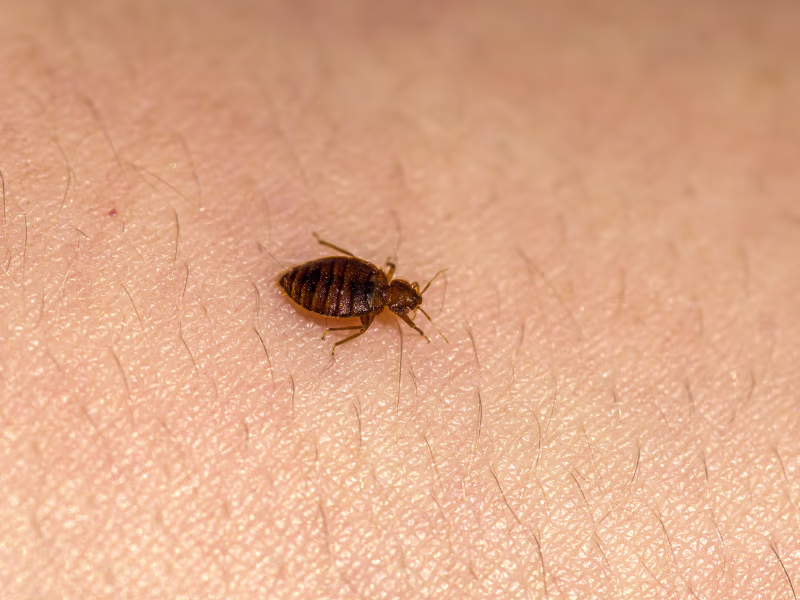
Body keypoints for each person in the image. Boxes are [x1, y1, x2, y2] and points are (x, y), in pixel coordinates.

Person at [1, 1, 797, 597]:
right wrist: (346, 322)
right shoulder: (369, 303)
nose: (403, 304)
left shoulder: (371, 298)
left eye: (402, 304)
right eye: (406, 302)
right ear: (397, 295)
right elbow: (336, 289)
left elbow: (344, 282)